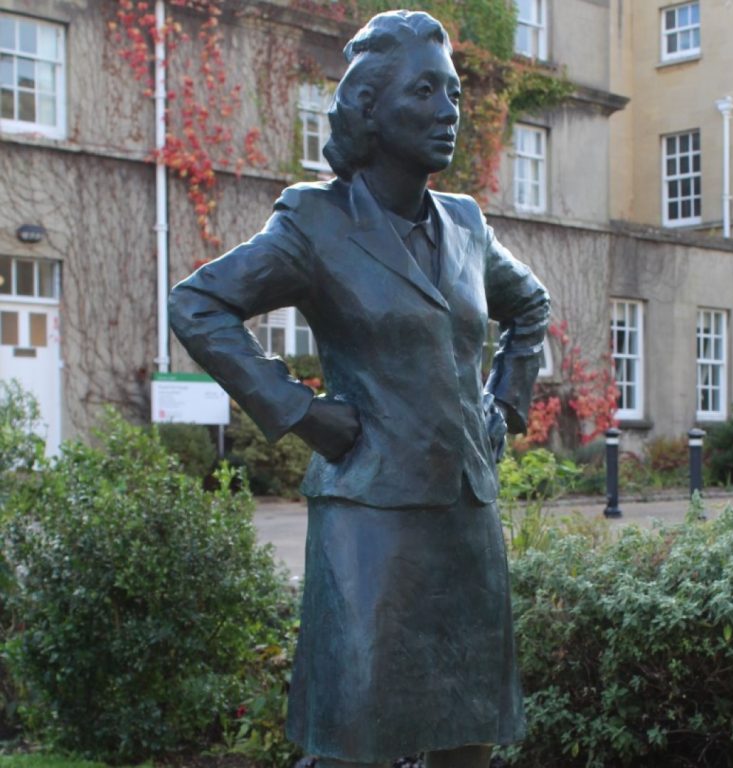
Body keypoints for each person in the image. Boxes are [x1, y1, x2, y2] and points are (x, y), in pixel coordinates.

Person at [169, 10, 550, 768]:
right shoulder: (315, 221)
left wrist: (503, 405)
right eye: (425, 93)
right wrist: (303, 413)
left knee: (467, 733)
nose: (449, 112)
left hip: (465, 513)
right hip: (369, 515)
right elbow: (198, 304)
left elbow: (529, 306)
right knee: (355, 736)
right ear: (369, 108)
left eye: (452, 93)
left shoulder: (468, 225)